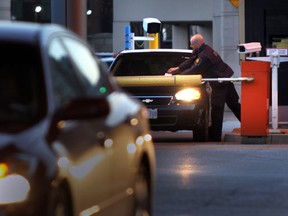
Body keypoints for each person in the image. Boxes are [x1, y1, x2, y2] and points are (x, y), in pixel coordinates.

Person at [166, 34, 241, 141]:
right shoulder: (204, 50)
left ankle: (215, 137)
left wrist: (178, 77)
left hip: (220, 82)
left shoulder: (204, 55)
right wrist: (178, 68)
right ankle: (250, 125)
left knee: (217, 108)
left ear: (198, 43)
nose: (191, 46)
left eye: (192, 44)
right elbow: (191, 60)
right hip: (224, 79)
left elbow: (194, 69)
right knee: (233, 104)